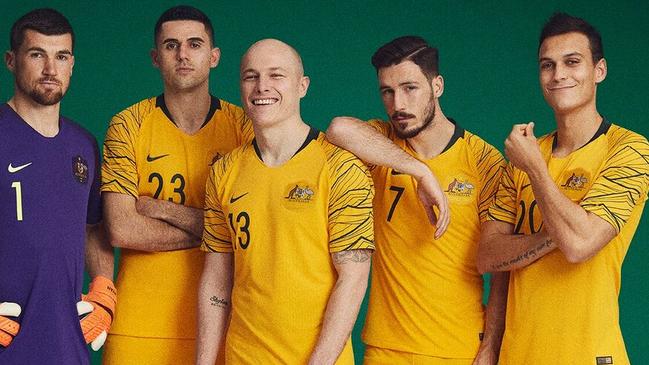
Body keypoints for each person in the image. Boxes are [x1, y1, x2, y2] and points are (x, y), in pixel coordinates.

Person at [477, 13, 649, 364]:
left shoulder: (630, 149)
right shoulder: (525, 155)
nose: (558, 75)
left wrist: (536, 170)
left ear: (599, 70)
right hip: (517, 356)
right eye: (547, 65)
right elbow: (489, 257)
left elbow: (578, 245)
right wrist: (490, 346)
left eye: (572, 62)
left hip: (587, 354)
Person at [327, 36, 508, 364]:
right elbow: (338, 128)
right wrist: (418, 170)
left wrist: (491, 346)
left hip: (458, 349)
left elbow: (502, 270)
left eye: (410, 88)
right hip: (384, 351)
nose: (398, 104)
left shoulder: (483, 161)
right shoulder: (382, 145)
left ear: (437, 85)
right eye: (387, 91)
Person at [196, 39, 374, 365]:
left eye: (276, 75)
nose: (262, 86)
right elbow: (217, 280)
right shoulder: (224, 171)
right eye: (251, 76)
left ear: (302, 86)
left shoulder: (341, 166)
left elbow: (354, 277)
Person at [100, 5, 252, 364]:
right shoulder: (128, 124)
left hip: (222, 323)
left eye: (194, 44)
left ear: (214, 57)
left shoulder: (244, 127)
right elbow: (122, 229)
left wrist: (160, 208)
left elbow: (255, 226)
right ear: (156, 57)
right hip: (137, 324)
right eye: (171, 45)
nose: (182, 54)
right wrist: (217, 232)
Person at [0, 8, 115, 364]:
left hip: (68, 346)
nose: (51, 70)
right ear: (11, 60)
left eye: (61, 56)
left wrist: (102, 291)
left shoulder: (83, 144)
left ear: (72, 64)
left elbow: (93, 227)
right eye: (37, 55)